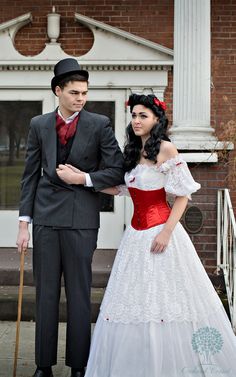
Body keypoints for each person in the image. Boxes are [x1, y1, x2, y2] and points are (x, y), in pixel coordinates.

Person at [58, 93, 236, 377]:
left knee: (167, 299)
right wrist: (81, 179)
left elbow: (182, 196)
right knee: (133, 301)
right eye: (134, 115)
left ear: (156, 119)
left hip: (162, 234)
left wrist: (166, 232)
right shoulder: (131, 152)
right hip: (136, 238)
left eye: (144, 115)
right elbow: (122, 189)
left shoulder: (167, 150)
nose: (137, 120)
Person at [16, 58, 124, 377]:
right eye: (74, 92)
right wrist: (24, 223)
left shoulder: (99, 124)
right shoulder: (38, 125)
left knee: (79, 294)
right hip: (46, 220)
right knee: (45, 294)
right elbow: (29, 176)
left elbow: (116, 170)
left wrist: (84, 179)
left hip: (81, 221)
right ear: (57, 91)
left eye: (85, 93)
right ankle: (43, 366)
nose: (80, 98)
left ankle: (79, 366)